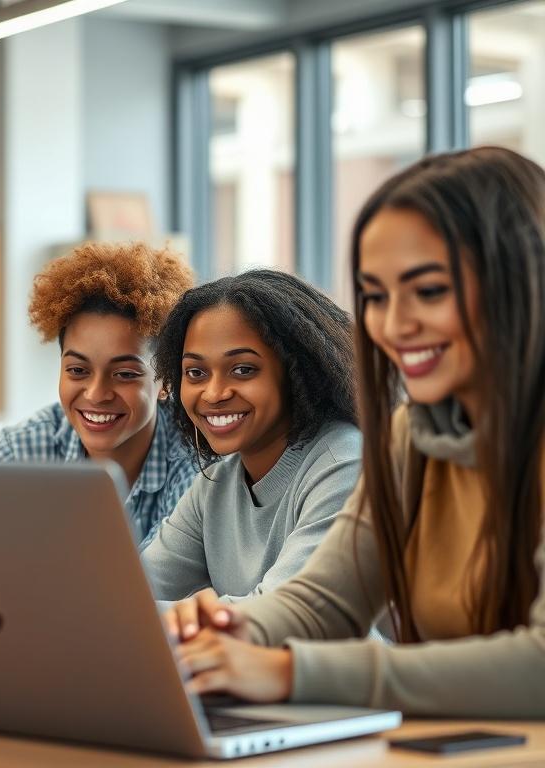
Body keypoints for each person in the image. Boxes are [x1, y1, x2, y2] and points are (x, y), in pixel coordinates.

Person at [164, 147, 545, 718]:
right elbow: (326, 602)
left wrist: (291, 672)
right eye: (375, 296)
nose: (395, 324)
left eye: (430, 290)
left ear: (517, 279)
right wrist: (227, 628)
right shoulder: (410, 438)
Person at [141, 270, 359, 600]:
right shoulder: (216, 485)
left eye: (243, 369)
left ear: (298, 372)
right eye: (196, 373)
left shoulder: (346, 465)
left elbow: (281, 618)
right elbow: (128, 597)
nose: (213, 394)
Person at [0, 241, 197, 544]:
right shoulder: (17, 454)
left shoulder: (195, 467)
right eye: (78, 370)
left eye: (125, 374)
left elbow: (161, 581)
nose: (96, 393)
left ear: (167, 380)